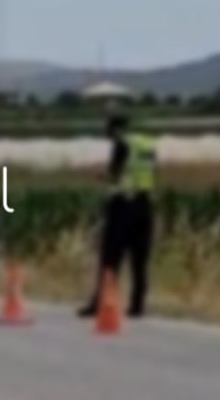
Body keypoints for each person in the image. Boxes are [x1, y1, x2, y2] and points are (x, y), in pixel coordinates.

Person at [77, 114, 157, 318]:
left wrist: (99, 175)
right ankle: (137, 305)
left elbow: (115, 174)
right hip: (145, 204)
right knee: (139, 259)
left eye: (107, 130)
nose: (106, 134)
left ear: (115, 129)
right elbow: (152, 172)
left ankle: (99, 303)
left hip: (123, 205)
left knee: (110, 258)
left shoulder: (121, 145)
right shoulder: (147, 144)